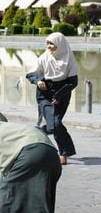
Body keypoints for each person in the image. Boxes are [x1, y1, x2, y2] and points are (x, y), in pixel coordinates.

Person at [0, 111, 62, 213]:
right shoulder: (16, 129)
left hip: (28, 156)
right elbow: (9, 174)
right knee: (35, 207)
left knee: (6, 207)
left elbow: (6, 174)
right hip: (53, 157)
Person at [26, 32, 78, 165]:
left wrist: (59, 96)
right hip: (44, 94)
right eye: (47, 43)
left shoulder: (69, 59)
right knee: (55, 123)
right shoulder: (44, 58)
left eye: (52, 44)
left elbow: (73, 82)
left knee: (55, 124)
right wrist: (38, 81)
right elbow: (31, 74)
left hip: (63, 94)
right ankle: (63, 153)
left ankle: (39, 132)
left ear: (59, 45)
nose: (49, 46)